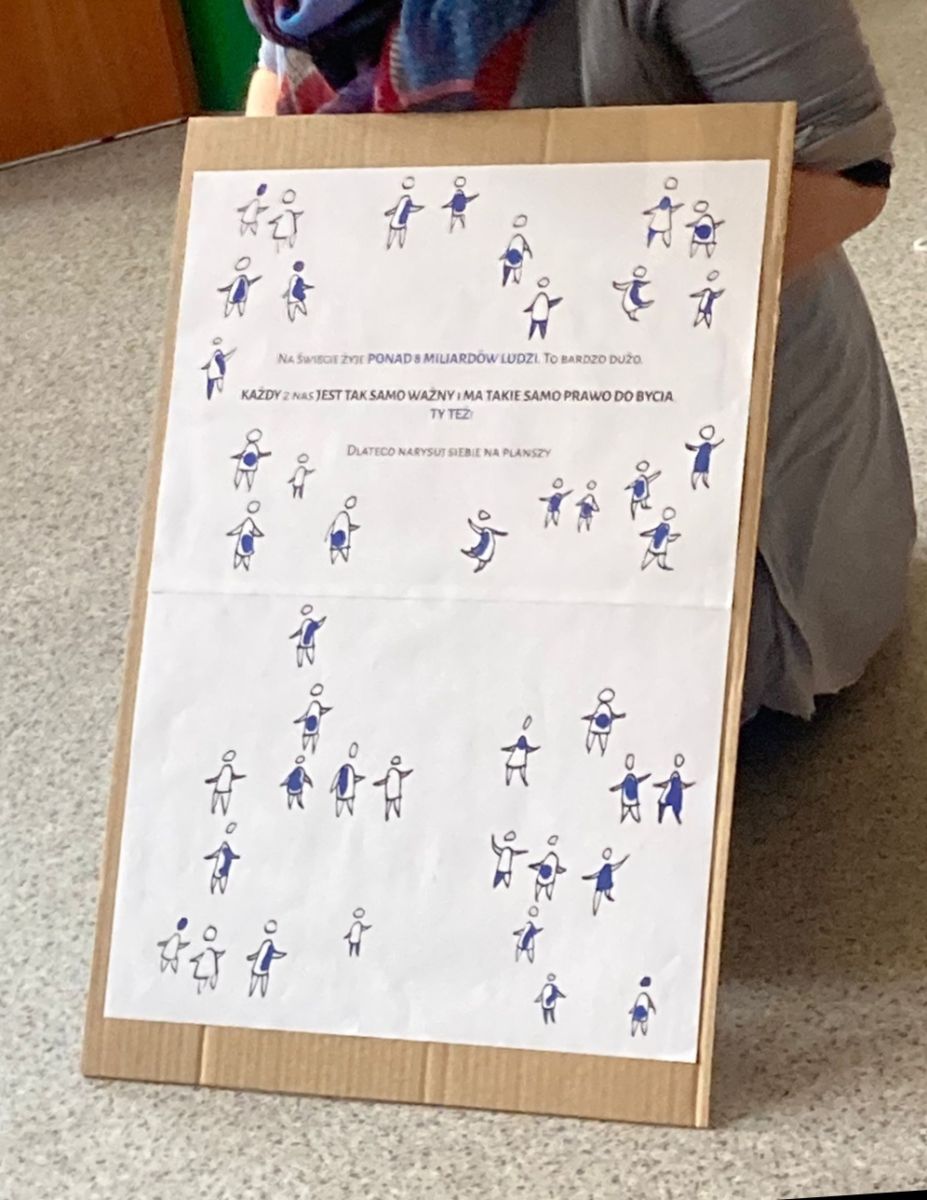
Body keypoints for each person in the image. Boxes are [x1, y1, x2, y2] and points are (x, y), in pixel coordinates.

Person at [244, 0, 915, 723]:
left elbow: (844, 172)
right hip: (434, 384)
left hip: (679, 398)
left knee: (543, 697)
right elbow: (277, 84)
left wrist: (539, 330)